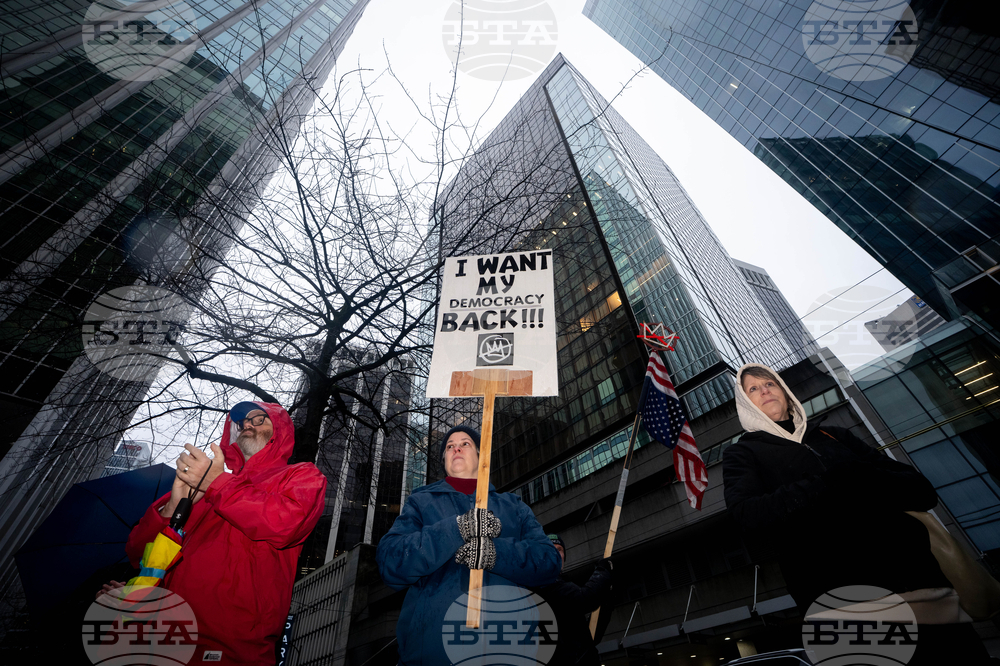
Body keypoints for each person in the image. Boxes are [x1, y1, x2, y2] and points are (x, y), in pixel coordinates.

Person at [722, 363, 990, 664]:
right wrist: (825, 483)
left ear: (784, 390)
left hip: (924, 593)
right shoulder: (743, 453)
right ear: (745, 403)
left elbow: (921, 490)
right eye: (753, 389)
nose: (764, 391)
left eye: (769, 383)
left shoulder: (832, 434)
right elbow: (746, 515)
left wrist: (862, 474)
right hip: (846, 612)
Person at [120, 401, 326, 664]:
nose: (247, 425)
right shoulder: (205, 488)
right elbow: (138, 553)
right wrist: (172, 507)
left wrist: (217, 484)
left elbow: (287, 523)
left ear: (279, 432)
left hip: (233, 647)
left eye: (259, 419)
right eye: (241, 423)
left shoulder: (301, 475)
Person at [376, 424, 561, 665]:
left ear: (480, 456)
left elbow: (549, 561)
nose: (456, 449)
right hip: (434, 651)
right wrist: (457, 528)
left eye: (465, 444)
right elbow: (391, 561)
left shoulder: (513, 506)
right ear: (444, 460)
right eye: (450, 446)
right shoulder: (420, 502)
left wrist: (495, 553)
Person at [532, 534, 614, 666]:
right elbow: (586, 599)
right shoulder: (545, 585)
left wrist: (606, 599)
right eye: (550, 549)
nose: (556, 554)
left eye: (559, 549)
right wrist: (602, 571)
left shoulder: (562, 587)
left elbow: (589, 637)